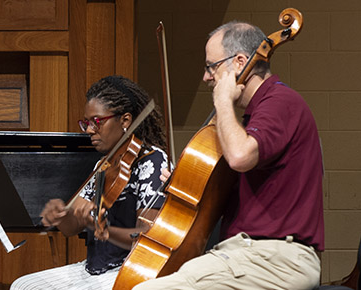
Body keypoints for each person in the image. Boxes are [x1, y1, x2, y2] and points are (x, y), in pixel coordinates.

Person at [134, 20, 324, 290]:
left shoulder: (280, 103)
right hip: (248, 256)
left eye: (211, 66)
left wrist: (223, 101)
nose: (206, 77)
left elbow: (239, 157)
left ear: (239, 62)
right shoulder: (252, 118)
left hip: (275, 258)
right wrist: (186, 182)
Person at [10, 76, 170, 290]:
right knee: (22, 285)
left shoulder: (152, 162)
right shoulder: (103, 166)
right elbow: (71, 228)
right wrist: (62, 215)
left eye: (96, 122)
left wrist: (105, 230)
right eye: (86, 123)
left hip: (128, 270)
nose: (88, 130)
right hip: (93, 269)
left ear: (125, 120)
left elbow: (146, 238)